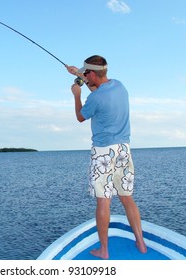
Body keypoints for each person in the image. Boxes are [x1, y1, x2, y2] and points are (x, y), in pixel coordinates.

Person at [66, 55, 147, 259]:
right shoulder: (119, 86)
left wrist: (76, 94)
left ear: (93, 73)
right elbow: (98, 88)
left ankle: (103, 250)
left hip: (103, 152)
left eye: (86, 73)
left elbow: (80, 116)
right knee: (127, 198)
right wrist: (78, 74)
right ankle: (141, 242)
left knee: (104, 201)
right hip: (123, 149)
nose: (85, 76)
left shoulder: (94, 98)